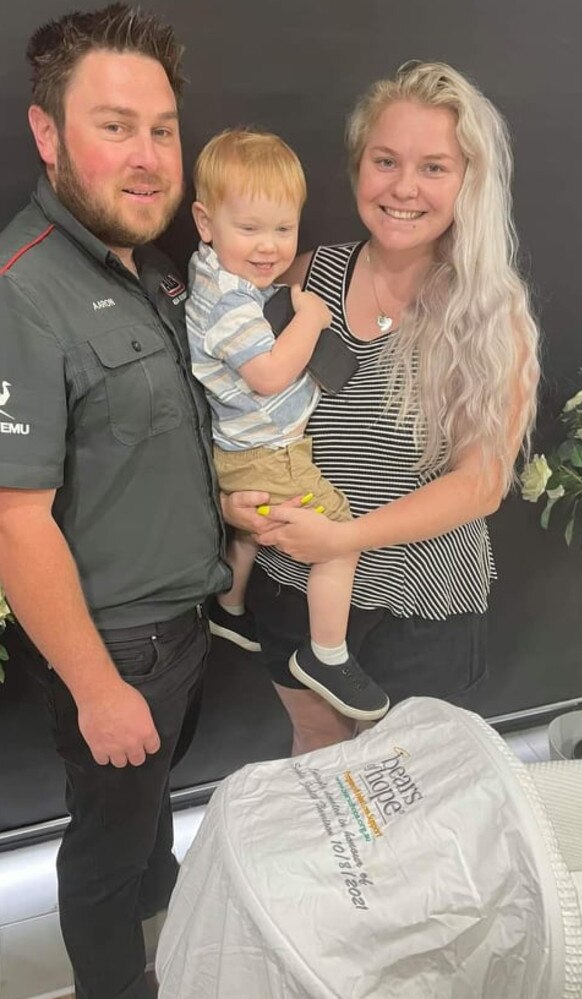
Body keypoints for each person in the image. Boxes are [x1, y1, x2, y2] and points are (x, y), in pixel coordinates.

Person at [0, 6, 231, 998]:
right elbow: (13, 519)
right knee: (103, 849)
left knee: (145, 815)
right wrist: (98, 690)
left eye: (161, 128)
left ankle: (161, 894)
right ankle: (114, 983)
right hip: (116, 649)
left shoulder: (152, 256)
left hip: (183, 629)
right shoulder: (22, 292)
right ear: (47, 134)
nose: (148, 158)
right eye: (113, 126)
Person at [221, 61, 540, 756]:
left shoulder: (490, 313)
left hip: (420, 606)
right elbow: (252, 417)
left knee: (404, 783)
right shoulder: (307, 278)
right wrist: (238, 504)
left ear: (468, 181)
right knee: (317, 750)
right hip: (294, 586)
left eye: (434, 167)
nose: (403, 187)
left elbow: (482, 483)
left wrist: (344, 539)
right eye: (385, 160)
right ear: (357, 165)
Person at [187, 128, 389, 722]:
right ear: (205, 221)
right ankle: (327, 653)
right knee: (337, 537)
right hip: (269, 452)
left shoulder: (213, 277)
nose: (270, 247)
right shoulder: (230, 304)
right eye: (249, 229)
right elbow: (271, 374)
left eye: (283, 229)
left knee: (250, 527)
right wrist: (310, 318)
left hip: (247, 449)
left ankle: (229, 605)